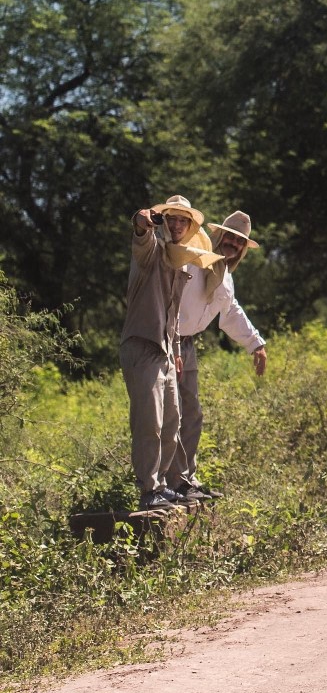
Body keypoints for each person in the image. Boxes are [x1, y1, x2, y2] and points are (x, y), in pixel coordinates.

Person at [121, 194, 221, 511]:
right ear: (164, 219)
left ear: (190, 226)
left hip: (164, 350)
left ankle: (162, 485)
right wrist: (143, 219)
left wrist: (175, 348)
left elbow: (173, 315)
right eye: (172, 218)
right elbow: (140, 230)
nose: (177, 224)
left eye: (183, 220)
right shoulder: (151, 250)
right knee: (149, 421)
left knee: (172, 422)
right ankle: (148, 489)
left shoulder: (178, 262)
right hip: (142, 344)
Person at [170, 211, 267, 501]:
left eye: (240, 242)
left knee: (192, 414)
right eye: (231, 238)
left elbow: (230, 312)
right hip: (168, 342)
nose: (234, 245)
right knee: (169, 415)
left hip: (187, 347)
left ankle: (186, 480)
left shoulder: (225, 276)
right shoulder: (195, 259)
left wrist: (256, 344)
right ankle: (165, 483)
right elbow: (169, 303)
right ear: (219, 236)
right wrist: (172, 344)